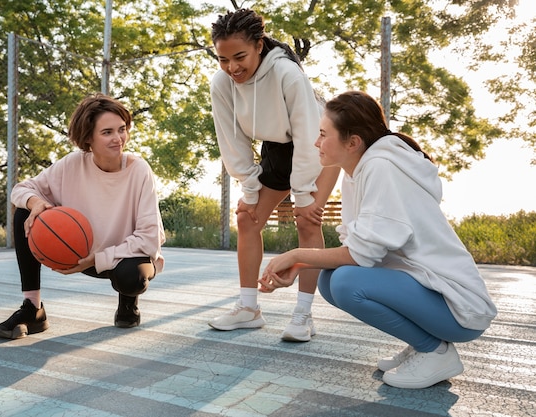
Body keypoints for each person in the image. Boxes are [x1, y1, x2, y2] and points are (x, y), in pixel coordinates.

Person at [258, 91, 497, 388]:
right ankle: (424, 344)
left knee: (346, 283)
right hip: (429, 293)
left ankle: (435, 351)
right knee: (330, 280)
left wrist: (295, 256)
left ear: (353, 142)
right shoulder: (356, 172)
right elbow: (358, 247)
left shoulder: (381, 168)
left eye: (323, 135)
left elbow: (361, 256)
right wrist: (301, 265)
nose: (316, 143)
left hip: (459, 308)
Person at [208, 8, 340, 342]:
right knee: (247, 218)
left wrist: (305, 193)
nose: (232, 67)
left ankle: (303, 315)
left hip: (321, 142)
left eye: (239, 57)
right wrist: (250, 187)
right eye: (223, 59)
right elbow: (232, 141)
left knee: (307, 219)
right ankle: (249, 309)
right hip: (279, 145)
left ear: (259, 44)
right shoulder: (222, 82)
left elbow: (308, 134)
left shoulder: (286, 72)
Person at [0, 93, 165, 339]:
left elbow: (149, 239)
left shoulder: (139, 170)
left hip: (119, 260)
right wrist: (37, 203)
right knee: (25, 213)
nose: (118, 139)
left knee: (131, 278)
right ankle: (33, 309)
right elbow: (21, 189)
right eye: (107, 132)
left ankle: (128, 303)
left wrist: (97, 258)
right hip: (81, 252)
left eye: (122, 129)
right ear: (87, 138)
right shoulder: (72, 164)